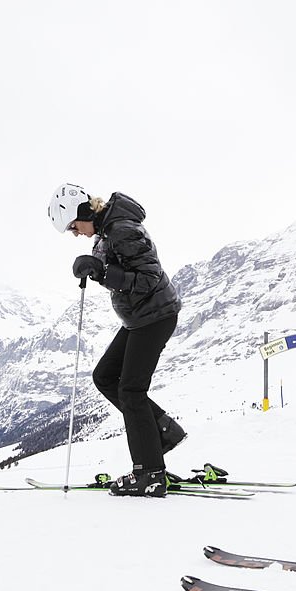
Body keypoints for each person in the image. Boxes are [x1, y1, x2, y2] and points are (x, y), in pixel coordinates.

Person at [48, 184, 184, 497]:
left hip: (155, 315)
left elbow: (148, 278)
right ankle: (163, 432)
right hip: (140, 318)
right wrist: (93, 268)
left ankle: (149, 473)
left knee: (131, 390)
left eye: (73, 226)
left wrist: (104, 272)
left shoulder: (121, 229)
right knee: (105, 376)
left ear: (82, 213)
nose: (75, 234)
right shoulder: (106, 232)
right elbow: (109, 268)